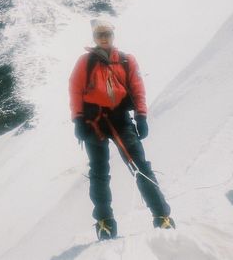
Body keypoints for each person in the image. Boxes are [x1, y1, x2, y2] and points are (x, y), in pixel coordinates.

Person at [69, 18, 174, 240]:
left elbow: (137, 88)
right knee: (99, 172)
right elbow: (75, 90)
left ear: (113, 35)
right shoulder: (85, 62)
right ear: (94, 38)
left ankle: (162, 216)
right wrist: (78, 119)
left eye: (107, 33)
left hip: (120, 119)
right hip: (93, 121)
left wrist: (141, 116)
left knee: (140, 166)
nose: (104, 38)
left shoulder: (126, 61)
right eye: (99, 35)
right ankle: (104, 222)